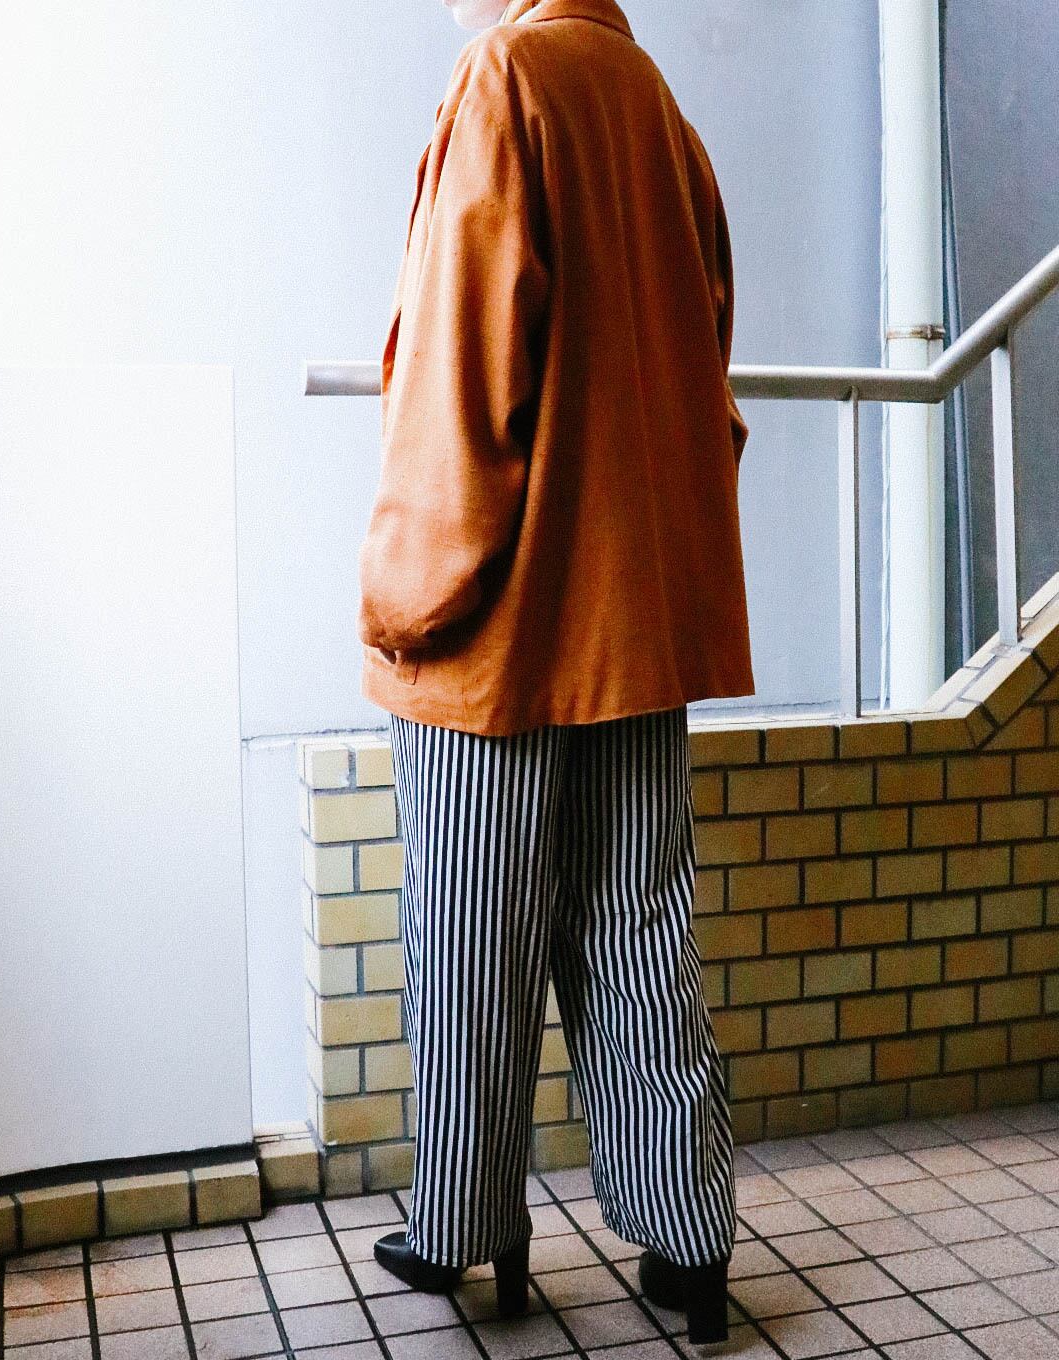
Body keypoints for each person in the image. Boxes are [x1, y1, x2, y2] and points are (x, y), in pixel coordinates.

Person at [357, 0, 753, 1346]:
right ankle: (691, 1240)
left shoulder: (505, 76)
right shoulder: (653, 101)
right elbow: (706, 342)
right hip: (636, 615)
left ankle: (467, 1228)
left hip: (506, 623)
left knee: (474, 934)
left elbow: (459, 373)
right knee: (641, 926)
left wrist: (404, 596)